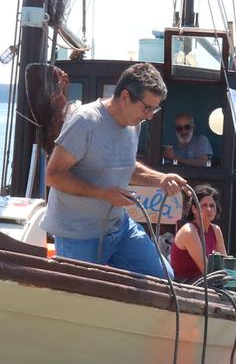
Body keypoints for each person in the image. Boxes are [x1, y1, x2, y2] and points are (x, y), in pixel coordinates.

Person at [44, 63, 190, 278]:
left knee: (164, 278)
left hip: (119, 228)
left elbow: (125, 166)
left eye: (154, 109)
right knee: (82, 300)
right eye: (147, 107)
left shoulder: (134, 123)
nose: (150, 116)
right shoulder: (85, 121)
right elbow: (53, 175)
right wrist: (101, 193)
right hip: (78, 235)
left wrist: (161, 179)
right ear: (124, 96)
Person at [170, 184, 228, 280]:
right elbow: (207, 271)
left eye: (212, 206)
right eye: (204, 205)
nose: (209, 209)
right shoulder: (189, 231)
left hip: (210, 283)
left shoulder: (216, 230)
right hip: (187, 286)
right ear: (194, 209)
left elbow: (225, 263)